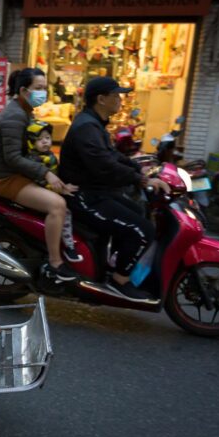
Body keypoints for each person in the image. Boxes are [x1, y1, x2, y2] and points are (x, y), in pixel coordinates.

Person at [59, 76, 169, 301]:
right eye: (116, 95)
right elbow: (104, 164)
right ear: (101, 99)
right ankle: (119, 281)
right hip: (84, 197)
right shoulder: (87, 127)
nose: (120, 99)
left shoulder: (94, 122)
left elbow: (112, 155)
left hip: (98, 191)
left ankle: (114, 264)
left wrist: (138, 166)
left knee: (139, 212)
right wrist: (142, 180)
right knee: (143, 230)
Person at [0, 68, 79, 282]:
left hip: (18, 175)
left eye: (44, 88)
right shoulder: (15, 116)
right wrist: (47, 174)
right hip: (5, 179)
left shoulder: (24, 111)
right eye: (38, 88)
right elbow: (13, 158)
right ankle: (55, 263)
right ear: (23, 90)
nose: (43, 93)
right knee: (57, 205)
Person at [25, 120, 82, 262]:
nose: (45, 142)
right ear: (31, 142)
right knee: (65, 213)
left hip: (52, 191)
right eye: (39, 139)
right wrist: (61, 189)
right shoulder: (33, 159)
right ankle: (68, 247)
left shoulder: (50, 155)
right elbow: (40, 181)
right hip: (39, 193)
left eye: (47, 138)